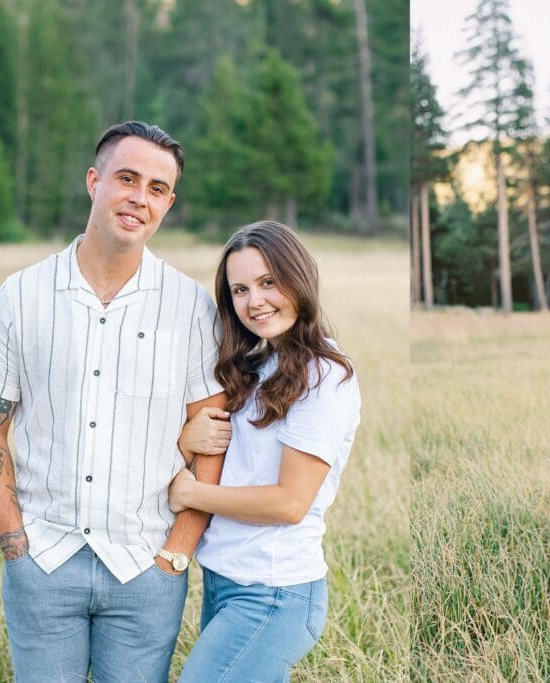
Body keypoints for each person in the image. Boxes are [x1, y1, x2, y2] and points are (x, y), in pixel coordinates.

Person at [0, 121, 227, 681]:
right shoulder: (20, 295)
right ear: (94, 181)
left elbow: (214, 434)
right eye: (127, 178)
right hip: (44, 559)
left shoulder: (189, 307)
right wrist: (15, 543)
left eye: (157, 188)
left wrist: (176, 555)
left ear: (169, 203)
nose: (140, 197)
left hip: (145, 569)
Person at [167, 221, 361, 682]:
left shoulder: (324, 375)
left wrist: (190, 495)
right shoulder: (257, 365)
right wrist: (185, 439)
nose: (254, 301)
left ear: (298, 279)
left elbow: (289, 503)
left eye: (268, 282)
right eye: (239, 289)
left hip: (275, 593)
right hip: (225, 581)